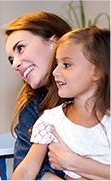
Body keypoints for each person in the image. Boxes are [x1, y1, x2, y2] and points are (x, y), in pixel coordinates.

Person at [11, 26, 110, 180]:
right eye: (57, 64)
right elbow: (27, 170)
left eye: (66, 65)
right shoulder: (51, 121)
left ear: (96, 71)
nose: (55, 72)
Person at [3, 11, 71, 179]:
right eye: (11, 60)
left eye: (21, 48)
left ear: (54, 42)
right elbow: (24, 170)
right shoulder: (34, 110)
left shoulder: (101, 98)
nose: (15, 65)